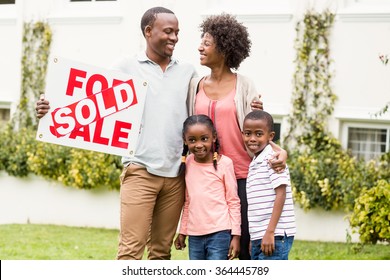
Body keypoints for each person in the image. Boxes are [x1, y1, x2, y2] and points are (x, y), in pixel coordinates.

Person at [36, 7, 197, 260]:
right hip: (140, 171)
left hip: (176, 176)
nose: (174, 37)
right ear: (148, 31)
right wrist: (50, 108)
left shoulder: (187, 71)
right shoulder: (126, 66)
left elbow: (205, 110)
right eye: (168, 31)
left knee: (161, 253)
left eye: (177, 32)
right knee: (130, 251)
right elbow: (90, 101)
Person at [186, 13, 287, 260]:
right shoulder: (195, 85)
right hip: (207, 177)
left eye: (207, 43)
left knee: (244, 246)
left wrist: (279, 150)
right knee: (212, 246)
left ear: (224, 48)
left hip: (243, 176)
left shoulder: (245, 86)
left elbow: (258, 130)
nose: (200, 47)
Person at [174, 114, 241, 260]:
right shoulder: (188, 163)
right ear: (185, 141)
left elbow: (233, 201)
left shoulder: (225, 164)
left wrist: (236, 235)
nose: (198, 145)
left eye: (204, 139)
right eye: (192, 140)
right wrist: (183, 231)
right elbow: (188, 201)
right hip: (195, 235)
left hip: (220, 232)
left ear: (214, 137)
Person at [242, 110, 296, 260]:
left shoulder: (273, 159)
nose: (252, 139)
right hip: (261, 236)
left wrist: (270, 232)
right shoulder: (256, 161)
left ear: (270, 136)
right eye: (247, 133)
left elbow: (281, 194)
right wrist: (256, 238)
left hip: (275, 234)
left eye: (258, 134)